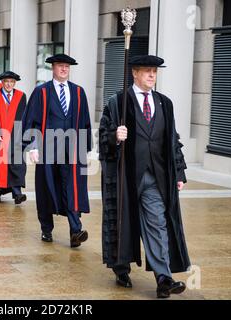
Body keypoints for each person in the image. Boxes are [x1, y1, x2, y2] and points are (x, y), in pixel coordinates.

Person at [99, 55, 191, 298]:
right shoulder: (118, 102)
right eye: (147, 71)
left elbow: (172, 140)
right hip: (126, 177)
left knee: (158, 224)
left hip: (156, 177)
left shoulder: (165, 103)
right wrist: (114, 136)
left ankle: (164, 277)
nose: (152, 75)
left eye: (155, 71)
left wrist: (179, 171)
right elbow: (103, 135)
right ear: (135, 73)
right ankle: (121, 268)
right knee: (122, 223)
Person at [22, 54, 92, 248]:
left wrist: (85, 149)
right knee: (47, 189)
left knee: (72, 188)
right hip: (47, 149)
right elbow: (31, 121)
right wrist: (33, 147)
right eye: (60, 66)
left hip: (72, 150)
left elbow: (85, 122)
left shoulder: (79, 92)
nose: (63, 69)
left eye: (67, 67)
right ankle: (46, 229)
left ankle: (75, 231)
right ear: (52, 68)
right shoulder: (41, 92)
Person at [0, 71, 27, 205]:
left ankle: (17, 193)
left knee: (16, 165)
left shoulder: (21, 96)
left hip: (15, 139)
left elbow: (24, 119)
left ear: (15, 83)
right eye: (6, 82)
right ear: (2, 82)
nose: (9, 84)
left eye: (12, 82)